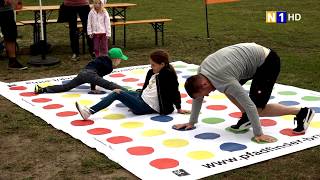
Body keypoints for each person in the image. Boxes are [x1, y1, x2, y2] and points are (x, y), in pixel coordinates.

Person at [173, 43, 315, 143]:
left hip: (267, 62)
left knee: (257, 109)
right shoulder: (201, 73)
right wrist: (192, 122)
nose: (207, 96)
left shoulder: (225, 79)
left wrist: (258, 134)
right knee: (228, 91)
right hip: (246, 61)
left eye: (205, 93)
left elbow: (250, 105)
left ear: (204, 84)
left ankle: (302, 112)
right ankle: (248, 118)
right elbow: (198, 98)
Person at [75, 49, 190, 120]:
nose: (151, 67)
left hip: (147, 106)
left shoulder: (168, 75)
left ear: (162, 64)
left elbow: (175, 91)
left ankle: (89, 112)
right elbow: (147, 87)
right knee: (126, 91)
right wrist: (137, 94)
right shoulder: (152, 72)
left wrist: (179, 108)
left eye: (153, 65)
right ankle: (131, 101)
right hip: (141, 98)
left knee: (117, 93)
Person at [34, 48, 128, 94]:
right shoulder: (109, 67)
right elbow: (97, 77)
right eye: (120, 59)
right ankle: (128, 92)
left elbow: (95, 73)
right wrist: (93, 88)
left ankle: (43, 89)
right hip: (90, 74)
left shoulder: (101, 58)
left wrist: (93, 88)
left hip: (83, 73)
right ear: (115, 59)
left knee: (66, 87)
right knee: (109, 85)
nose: (120, 61)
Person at [0, 0, 27, 70]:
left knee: (10, 35)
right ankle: (12, 61)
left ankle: (12, 61)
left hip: (6, 10)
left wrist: (18, 2)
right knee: (10, 35)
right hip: (5, 9)